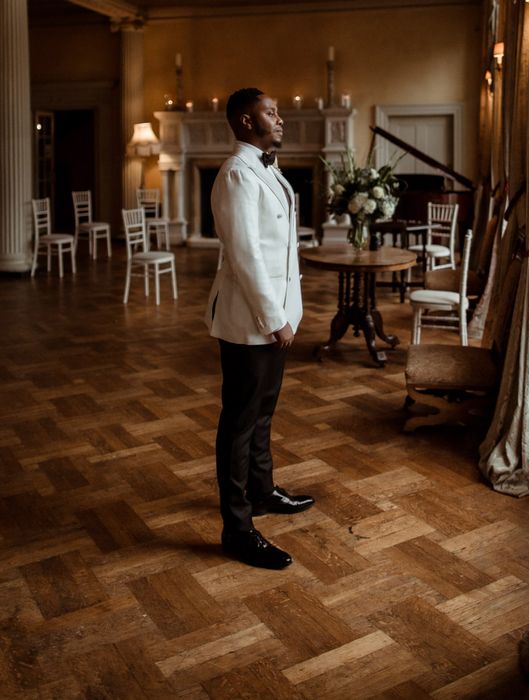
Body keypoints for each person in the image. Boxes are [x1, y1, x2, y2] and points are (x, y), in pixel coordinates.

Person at [205, 88, 315, 570]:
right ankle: (238, 527)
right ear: (247, 123)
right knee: (239, 420)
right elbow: (246, 256)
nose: (281, 119)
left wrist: (288, 312)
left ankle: (263, 490)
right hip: (252, 319)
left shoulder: (266, 167)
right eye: (271, 113)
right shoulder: (236, 174)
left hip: (278, 313)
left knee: (263, 411)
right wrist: (274, 320)